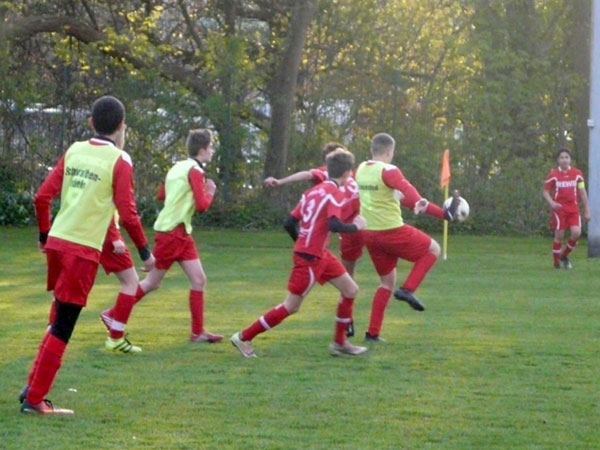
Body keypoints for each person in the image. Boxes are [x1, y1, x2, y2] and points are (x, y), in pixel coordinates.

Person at [21, 95, 154, 415]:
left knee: (58, 317)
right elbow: (128, 213)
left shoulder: (75, 150)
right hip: (81, 250)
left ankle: (31, 388)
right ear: (122, 127)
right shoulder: (120, 160)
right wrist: (145, 252)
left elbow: (42, 197)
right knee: (64, 325)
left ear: (92, 123)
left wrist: (44, 236)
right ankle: (36, 400)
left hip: (58, 242)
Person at [231, 149, 368, 358]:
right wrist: (356, 226)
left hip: (319, 253)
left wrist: (304, 242)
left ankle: (340, 343)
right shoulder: (335, 193)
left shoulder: (312, 192)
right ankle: (243, 337)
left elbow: (289, 222)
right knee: (291, 306)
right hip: (310, 258)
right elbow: (334, 224)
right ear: (348, 173)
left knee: (350, 290)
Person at [109, 129, 223, 344]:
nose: (212, 151)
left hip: (181, 231)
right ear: (202, 150)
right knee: (152, 282)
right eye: (211, 147)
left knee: (199, 280)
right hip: (173, 233)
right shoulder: (195, 171)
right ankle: (113, 314)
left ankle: (198, 333)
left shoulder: (177, 167)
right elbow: (202, 206)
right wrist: (209, 191)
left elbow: (162, 195)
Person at [355, 133, 459, 342]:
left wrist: (444, 214)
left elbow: (405, 200)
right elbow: (409, 192)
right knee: (433, 249)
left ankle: (373, 333)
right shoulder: (388, 170)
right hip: (391, 231)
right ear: (390, 152)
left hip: (369, 234)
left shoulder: (361, 169)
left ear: (372, 150)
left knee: (386, 283)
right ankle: (408, 290)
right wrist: (421, 201)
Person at [542, 148, 591, 269]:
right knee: (559, 235)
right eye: (562, 158)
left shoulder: (577, 174)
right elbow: (545, 191)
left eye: (566, 157)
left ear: (570, 160)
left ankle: (563, 255)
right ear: (558, 160)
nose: (564, 160)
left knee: (576, 233)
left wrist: (587, 209)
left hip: (573, 209)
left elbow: (582, 191)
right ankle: (556, 264)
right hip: (560, 209)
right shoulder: (553, 175)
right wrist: (552, 203)